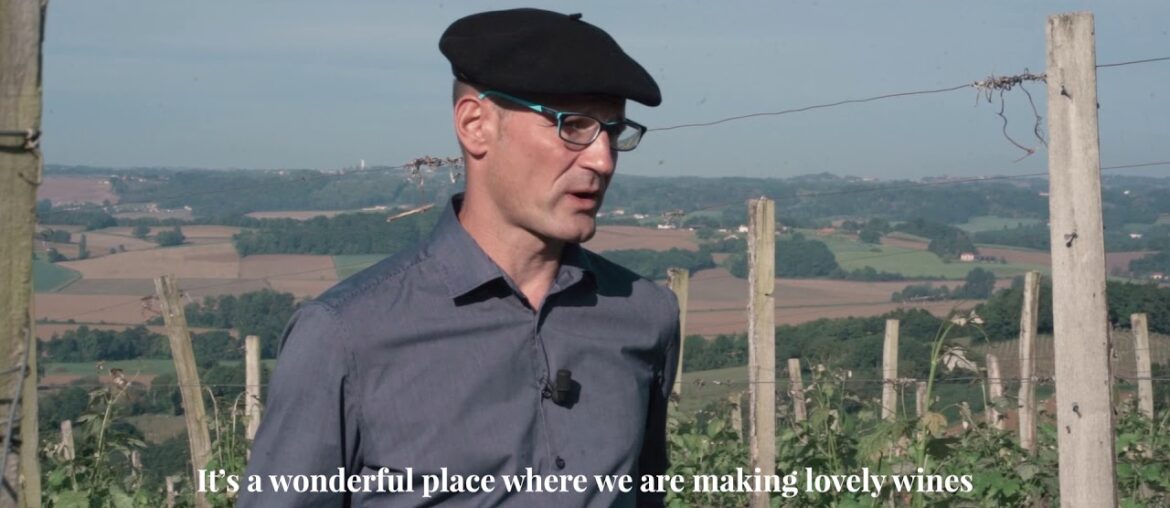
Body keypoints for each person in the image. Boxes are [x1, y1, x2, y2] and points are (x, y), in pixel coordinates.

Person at [239, 8, 679, 507]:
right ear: (475, 125)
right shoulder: (345, 336)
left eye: (614, 131)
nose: (602, 159)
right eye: (573, 125)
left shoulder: (646, 315)